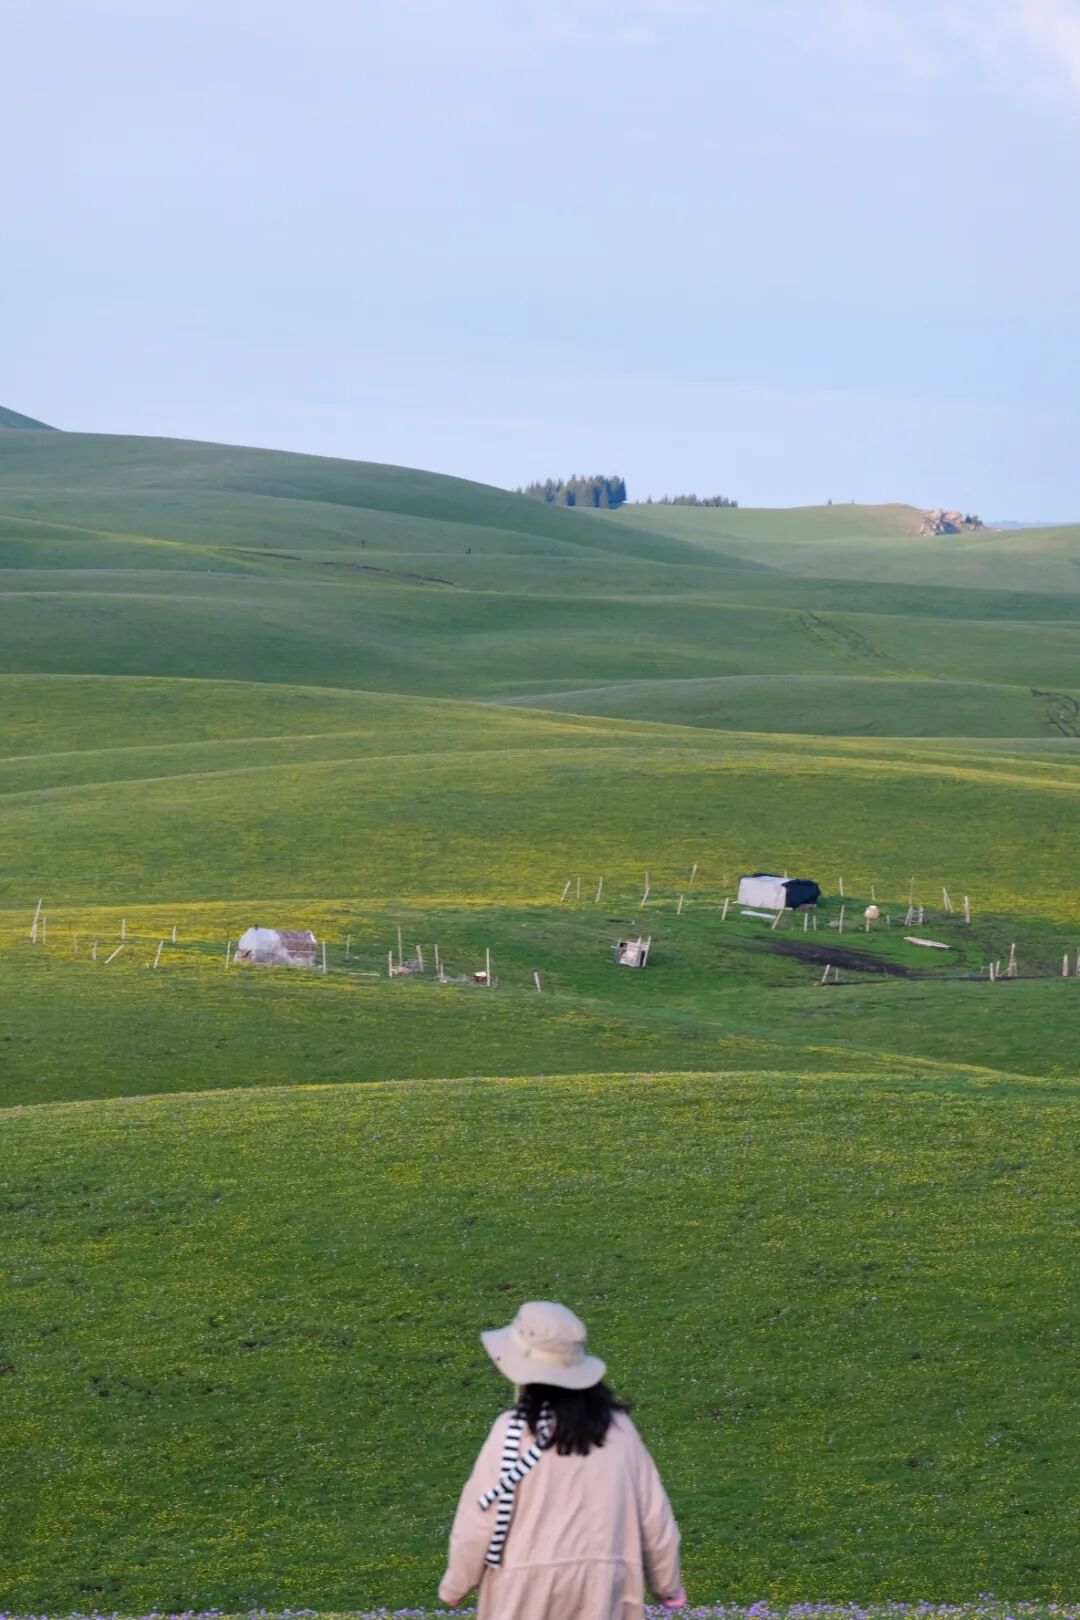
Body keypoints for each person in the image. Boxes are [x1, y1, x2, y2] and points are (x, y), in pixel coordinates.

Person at [439, 1300, 686, 1618]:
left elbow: (480, 1516)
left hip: (522, 1590)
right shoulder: (620, 1431)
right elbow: (654, 1516)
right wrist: (668, 1585)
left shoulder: (512, 1432)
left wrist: (457, 1584)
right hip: (604, 1589)